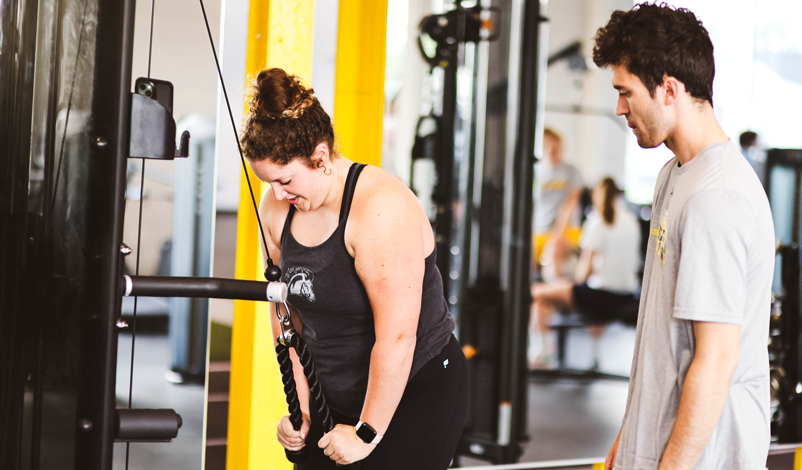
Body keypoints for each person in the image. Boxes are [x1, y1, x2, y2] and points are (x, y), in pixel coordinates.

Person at [239, 68, 467, 469]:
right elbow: (285, 318)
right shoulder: (277, 207)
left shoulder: (380, 209)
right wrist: (303, 411)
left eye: (286, 180)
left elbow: (397, 338)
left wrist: (366, 431)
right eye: (268, 182)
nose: (277, 193)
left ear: (320, 156)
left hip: (414, 387)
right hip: (333, 389)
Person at [593, 4, 774, 470]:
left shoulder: (718, 197)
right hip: (653, 445)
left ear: (668, 89)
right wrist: (627, 439)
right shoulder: (674, 175)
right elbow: (662, 342)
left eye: (626, 92)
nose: (620, 108)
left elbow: (715, 362)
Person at [529, 177, 641, 369]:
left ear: (595, 195)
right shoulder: (632, 221)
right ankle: (595, 355)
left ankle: (543, 353)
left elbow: (583, 274)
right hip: (627, 297)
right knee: (585, 292)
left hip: (599, 298)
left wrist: (564, 280)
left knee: (538, 293)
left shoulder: (596, 222)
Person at [533, 128, 584, 281]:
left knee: (554, 266)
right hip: (540, 229)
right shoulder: (536, 172)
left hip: (567, 230)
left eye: (557, 147)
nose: (554, 151)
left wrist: (558, 235)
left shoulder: (572, 172)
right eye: (549, 146)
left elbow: (571, 203)